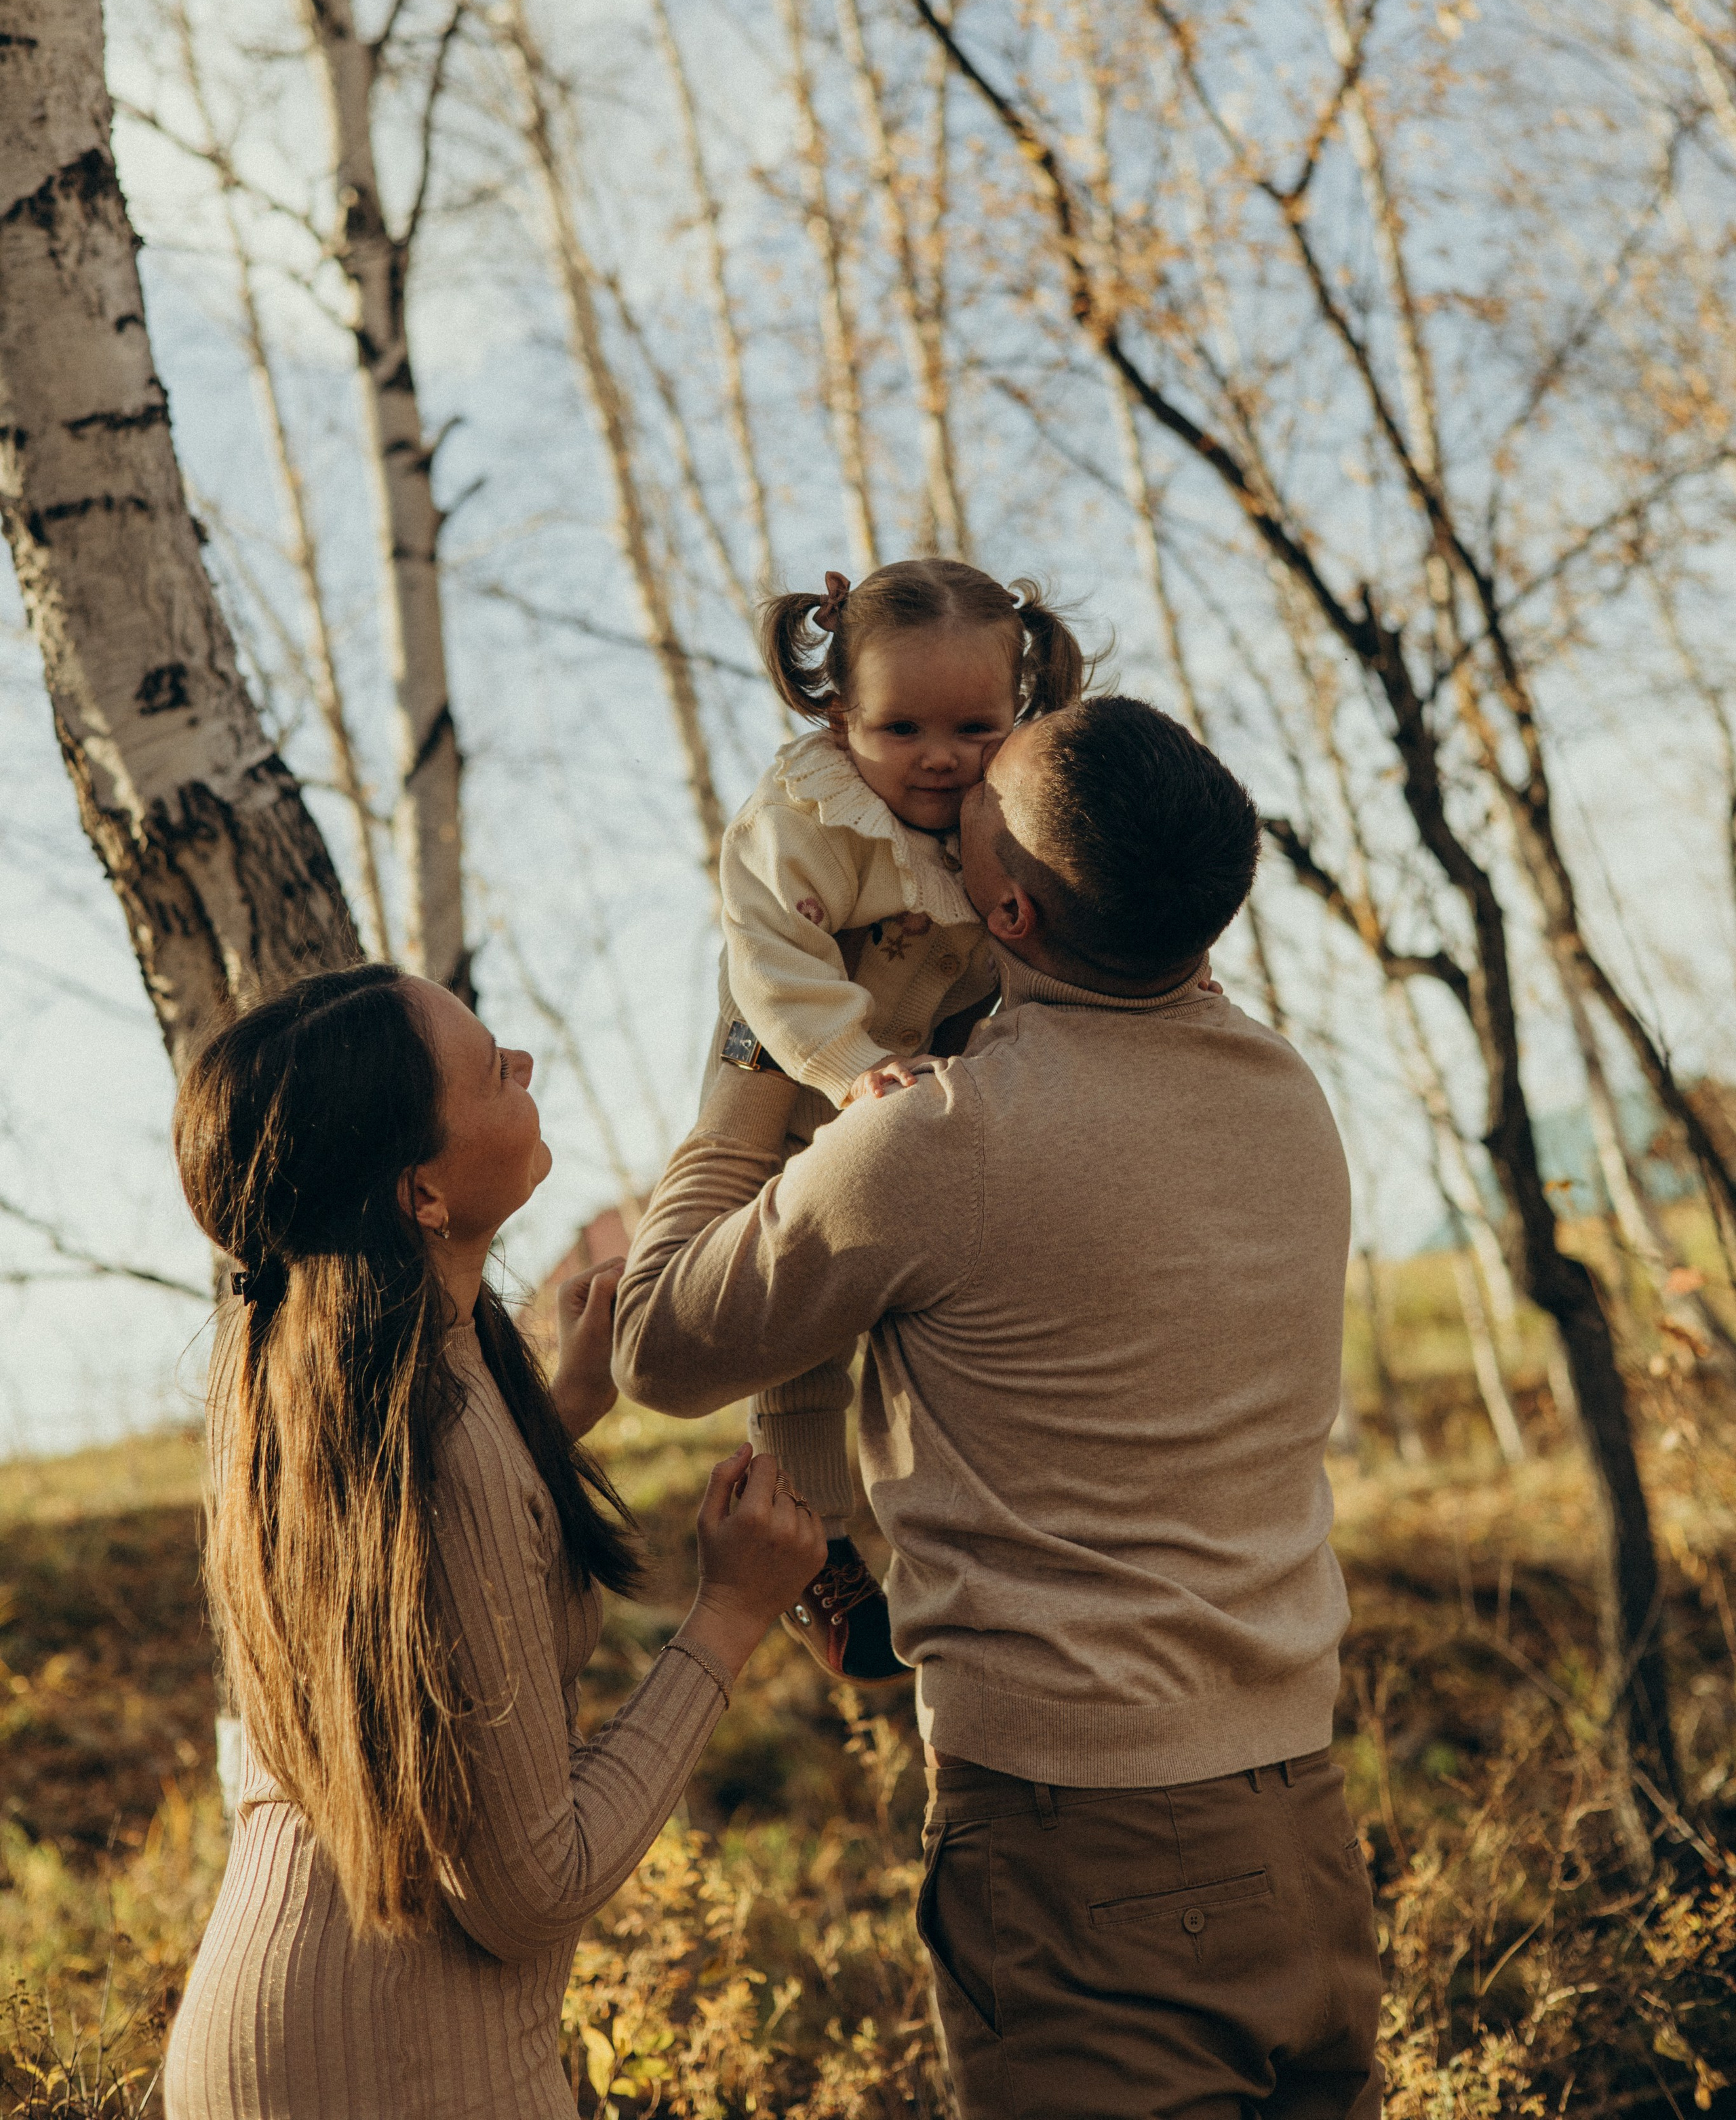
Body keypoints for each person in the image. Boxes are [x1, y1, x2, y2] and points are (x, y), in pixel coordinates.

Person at [616, 697, 1383, 2119]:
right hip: (1304, 1824)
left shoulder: (944, 1140)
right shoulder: (1287, 1093)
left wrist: (751, 1061)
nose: (944, 790)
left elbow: (659, 1346)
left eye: (970, 804)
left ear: (1008, 912)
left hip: (1079, 1847)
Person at [162, 964, 824, 2120]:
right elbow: (531, 1891)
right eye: (487, 1069)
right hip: (393, 2061)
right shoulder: (438, 1442)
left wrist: (556, 1416)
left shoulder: (303, 1383)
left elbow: (420, 1567)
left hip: (272, 2026)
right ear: (422, 1192)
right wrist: (729, 1617)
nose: (520, 1062)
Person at [709, 556, 1086, 1681]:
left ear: (1019, 708)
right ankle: (813, 1545)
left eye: (975, 727)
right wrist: (850, 1068)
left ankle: (986, 1535)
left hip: (946, 1082)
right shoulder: (805, 817)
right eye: (901, 728)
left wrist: (1154, 971)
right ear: (840, 717)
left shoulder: (1016, 807)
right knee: (802, 1329)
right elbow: (768, 959)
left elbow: (1071, 906)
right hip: (799, 1083)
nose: (939, 757)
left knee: (960, 1312)